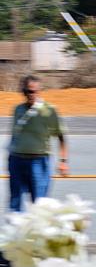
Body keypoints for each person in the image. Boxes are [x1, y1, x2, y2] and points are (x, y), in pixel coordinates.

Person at [7, 75, 68, 211]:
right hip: (17, 161)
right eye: (28, 91)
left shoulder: (49, 110)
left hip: (39, 162)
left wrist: (63, 161)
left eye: (34, 91)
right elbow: (15, 134)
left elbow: (61, 136)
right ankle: (17, 231)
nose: (31, 94)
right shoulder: (18, 110)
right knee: (15, 204)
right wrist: (10, 157)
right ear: (23, 92)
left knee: (39, 205)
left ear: (40, 91)